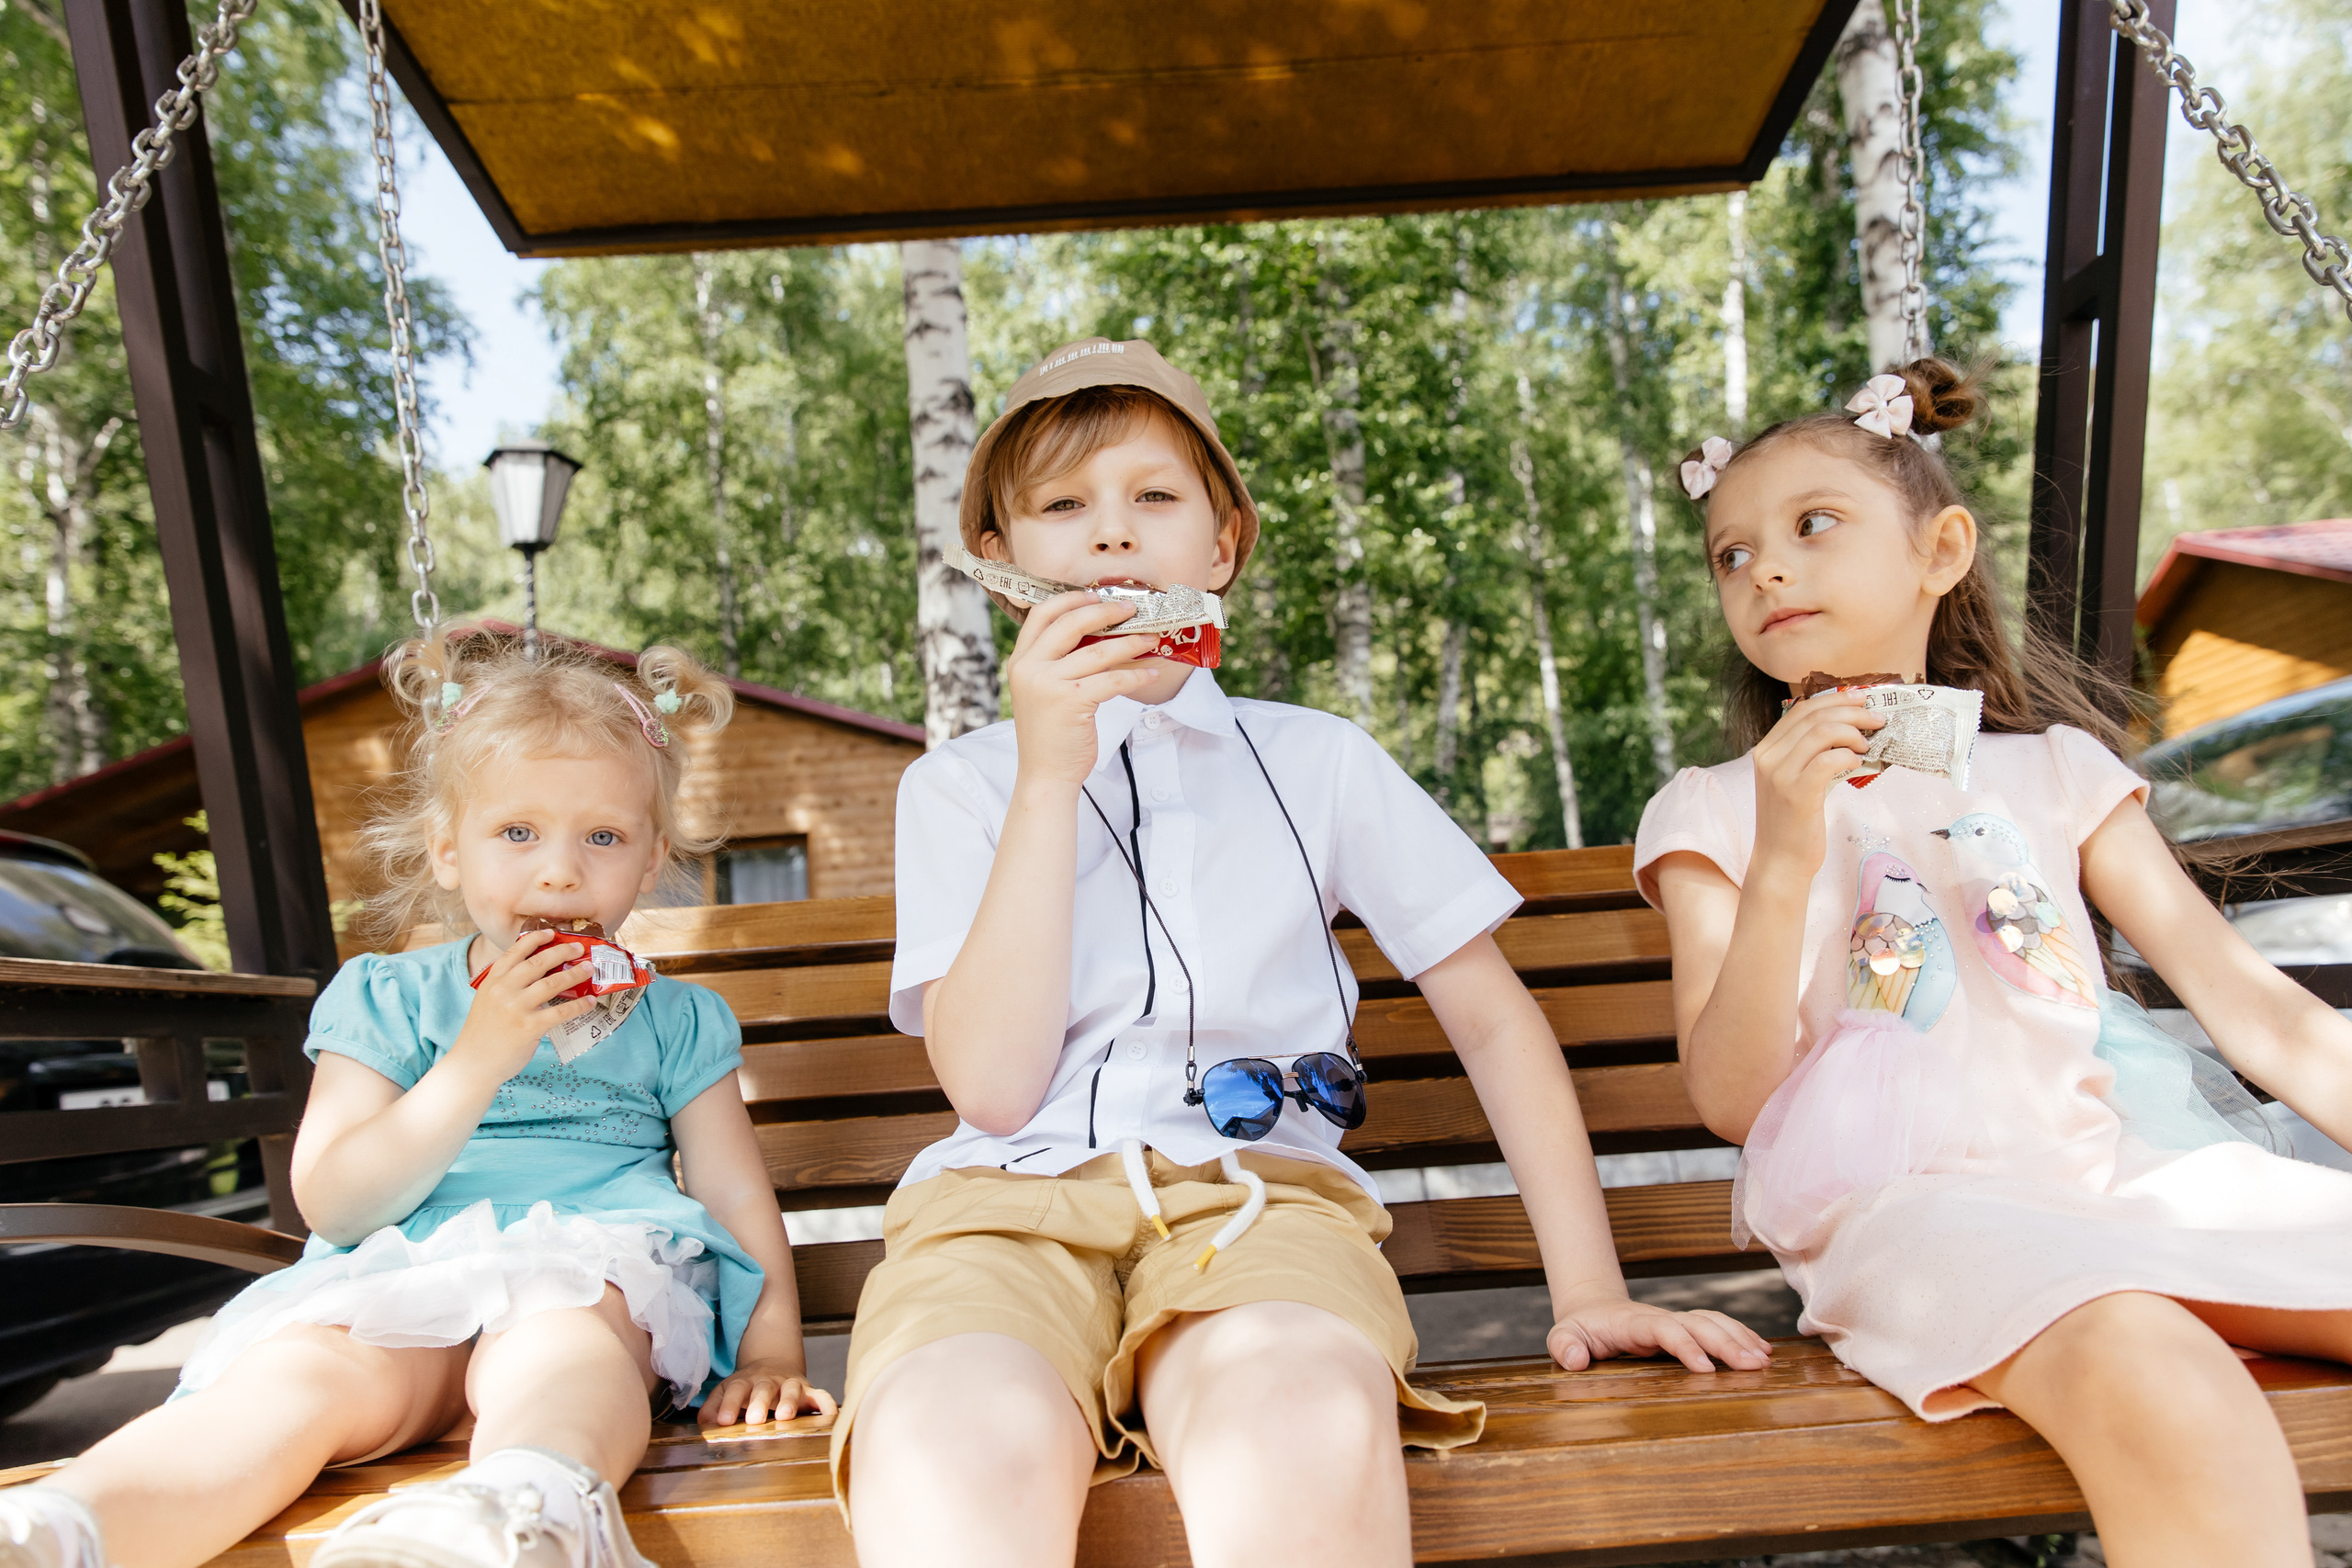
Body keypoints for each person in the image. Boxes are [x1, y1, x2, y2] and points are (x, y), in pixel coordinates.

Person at [837, 337, 1771, 1568]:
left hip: (1258, 1199)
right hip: (999, 1211)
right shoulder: (956, 785)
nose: (1111, 536)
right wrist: (1048, 774)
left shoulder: (1319, 761)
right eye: (1063, 507)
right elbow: (996, 1089)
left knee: (1300, 1420)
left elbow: (1492, 1021)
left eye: (1154, 497)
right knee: (954, 1438)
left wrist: (1590, 1290)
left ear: (1220, 546)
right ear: (1006, 567)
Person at [1637, 358, 2352, 1567]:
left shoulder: (2055, 769)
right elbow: (1732, 1098)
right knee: (2155, 1367)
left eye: (1814, 524)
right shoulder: (1712, 807)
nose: (1763, 565)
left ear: (1941, 548)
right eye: (1730, 552)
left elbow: (2257, 1009)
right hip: (1915, 1215)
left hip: (2119, 1174)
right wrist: (1784, 853)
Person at [0, 629, 832, 1568]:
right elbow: (337, 1201)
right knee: (302, 1378)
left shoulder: (678, 1020)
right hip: (403, 1272)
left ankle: (521, 1520)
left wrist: (770, 1355)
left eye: (602, 836)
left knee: (566, 1349)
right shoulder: (387, 999)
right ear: (448, 851)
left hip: (598, 1268)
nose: (559, 871)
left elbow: (732, 1196)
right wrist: (477, 1057)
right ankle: (70, 1528)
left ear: (649, 861)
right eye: (517, 833)